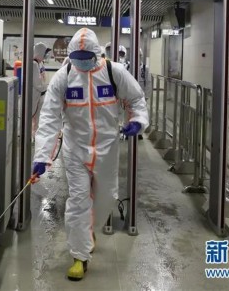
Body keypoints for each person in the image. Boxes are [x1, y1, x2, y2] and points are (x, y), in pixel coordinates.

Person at [32, 28, 149, 281]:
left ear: (97, 54)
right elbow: (50, 117)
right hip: (75, 148)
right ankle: (79, 256)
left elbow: (136, 99)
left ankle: (88, 231)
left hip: (107, 147)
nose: (82, 62)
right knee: (78, 200)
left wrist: (137, 121)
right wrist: (42, 156)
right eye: (78, 57)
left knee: (106, 198)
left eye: (86, 57)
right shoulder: (64, 76)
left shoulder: (114, 72)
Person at [32, 42, 49, 133]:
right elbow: (37, 83)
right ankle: (30, 135)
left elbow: (43, 77)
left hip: (40, 95)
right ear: (40, 52)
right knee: (32, 117)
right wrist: (46, 88)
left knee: (38, 118)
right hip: (35, 94)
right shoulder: (34, 64)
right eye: (45, 53)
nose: (46, 55)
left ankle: (36, 135)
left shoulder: (40, 63)